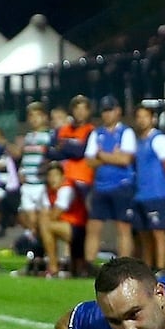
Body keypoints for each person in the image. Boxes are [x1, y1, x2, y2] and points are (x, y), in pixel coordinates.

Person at [84, 95, 137, 265]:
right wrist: (111, 156)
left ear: (118, 111)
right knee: (93, 227)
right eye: (104, 111)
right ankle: (89, 265)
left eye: (110, 110)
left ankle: (123, 265)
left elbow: (125, 160)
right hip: (100, 187)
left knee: (123, 227)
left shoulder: (126, 132)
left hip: (122, 186)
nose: (107, 114)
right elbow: (89, 161)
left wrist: (101, 155)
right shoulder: (96, 133)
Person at [55, 94, 96, 277]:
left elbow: (80, 151)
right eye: (76, 108)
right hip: (65, 181)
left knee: (82, 223)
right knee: (66, 219)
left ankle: (81, 264)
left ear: (88, 111)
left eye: (83, 108)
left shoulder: (90, 130)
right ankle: (69, 263)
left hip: (84, 182)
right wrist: (67, 148)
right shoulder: (64, 129)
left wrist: (66, 148)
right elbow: (53, 150)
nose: (79, 112)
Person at [132, 105, 165, 271]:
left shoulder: (158, 139)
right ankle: (147, 269)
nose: (141, 120)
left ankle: (161, 268)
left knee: (158, 233)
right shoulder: (139, 141)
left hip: (155, 194)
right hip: (140, 194)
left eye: (145, 116)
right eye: (139, 117)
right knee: (143, 235)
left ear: (153, 119)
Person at [38, 163, 88, 278]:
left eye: (55, 175)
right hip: (64, 225)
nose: (52, 179)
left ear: (62, 177)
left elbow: (55, 213)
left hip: (78, 227)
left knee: (45, 226)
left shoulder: (67, 189)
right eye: (50, 175)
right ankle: (53, 264)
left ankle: (53, 266)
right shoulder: (48, 191)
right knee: (43, 223)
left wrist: (42, 221)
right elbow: (44, 212)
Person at [18, 102, 54, 243]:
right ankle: (36, 249)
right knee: (29, 219)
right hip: (28, 184)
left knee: (42, 219)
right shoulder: (28, 137)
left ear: (44, 117)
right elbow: (25, 157)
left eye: (37, 115)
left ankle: (42, 251)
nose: (34, 119)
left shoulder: (49, 136)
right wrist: (21, 170)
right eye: (31, 116)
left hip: (42, 184)